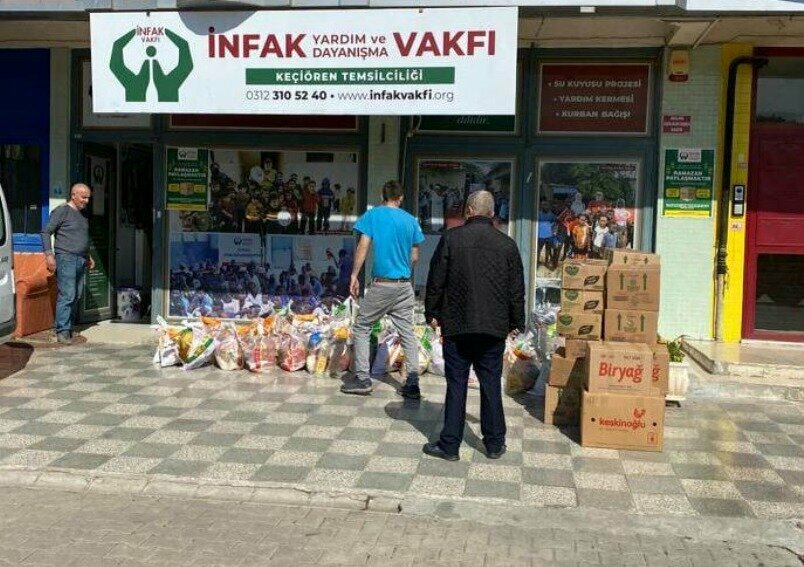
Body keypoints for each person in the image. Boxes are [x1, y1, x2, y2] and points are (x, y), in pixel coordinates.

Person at [423, 190, 525, 461]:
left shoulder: (451, 239)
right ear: (492, 213)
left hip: (457, 324)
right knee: (490, 383)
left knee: (456, 384)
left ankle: (450, 445)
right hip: (493, 326)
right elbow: (516, 289)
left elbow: (436, 280)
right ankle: (494, 443)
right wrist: (517, 321)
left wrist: (431, 312)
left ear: (468, 211)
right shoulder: (507, 245)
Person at [341, 180, 425, 397]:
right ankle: (412, 383)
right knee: (407, 332)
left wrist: (354, 275)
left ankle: (362, 379)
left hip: (382, 285)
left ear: (382, 196)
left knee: (362, 327)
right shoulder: (411, 221)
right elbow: (415, 256)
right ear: (401, 198)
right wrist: (401, 269)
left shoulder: (373, 215)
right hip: (404, 285)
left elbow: (363, 246)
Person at [41, 183, 95, 345]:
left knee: (76, 295)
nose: (86, 201)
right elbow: (45, 232)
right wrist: (49, 255)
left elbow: (81, 237)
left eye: (88, 198)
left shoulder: (82, 214)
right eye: (83, 197)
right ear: (73, 195)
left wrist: (88, 256)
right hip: (66, 258)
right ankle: (62, 331)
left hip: (81, 258)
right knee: (67, 295)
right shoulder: (62, 211)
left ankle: (67, 327)